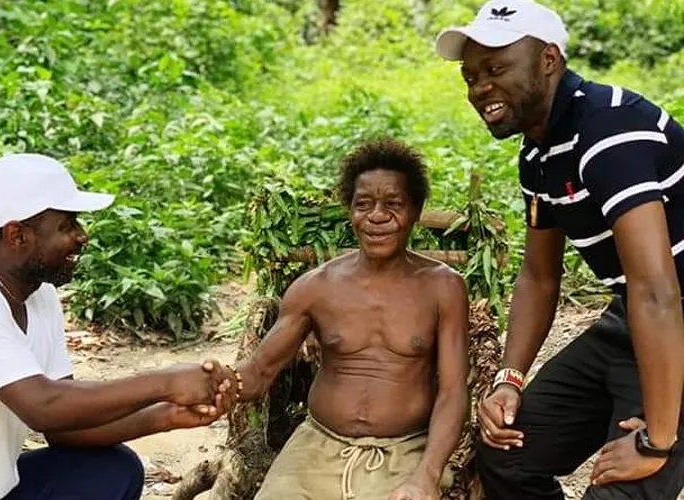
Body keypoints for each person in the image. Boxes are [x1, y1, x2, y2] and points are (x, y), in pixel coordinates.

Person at [434, 1, 684, 498]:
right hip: (630, 322)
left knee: (623, 488)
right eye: (470, 76)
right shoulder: (538, 152)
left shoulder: (609, 129)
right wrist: (509, 379)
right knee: (509, 451)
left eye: (496, 68)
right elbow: (539, 277)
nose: (480, 87)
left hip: (668, 320)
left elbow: (658, 290)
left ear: (548, 60)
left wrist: (658, 442)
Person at [0, 153, 231, 500]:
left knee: (111, 470)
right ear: (17, 235)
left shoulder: (38, 295)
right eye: (67, 226)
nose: (82, 236)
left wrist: (168, 416)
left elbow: (63, 427)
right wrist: (166, 382)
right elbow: (43, 406)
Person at [218, 139, 470, 500]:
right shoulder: (315, 287)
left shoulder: (443, 287)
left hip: (404, 451)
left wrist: (427, 475)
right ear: (349, 211)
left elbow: (452, 391)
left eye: (393, 205)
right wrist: (218, 383)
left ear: (415, 211)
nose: (377, 216)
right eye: (363, 204)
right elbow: (258, 373)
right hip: (316, 447)